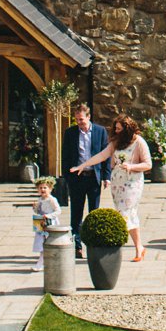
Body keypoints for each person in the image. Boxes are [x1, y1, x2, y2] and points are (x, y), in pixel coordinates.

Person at [61, 102, 113, 255]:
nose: (79, 123)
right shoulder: (70, 133)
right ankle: (77, 246)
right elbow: (65, 156)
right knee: (76, 213)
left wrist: (106, 176)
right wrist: (68, 177)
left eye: (82, 119)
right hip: (77, 178)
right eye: (77, 120)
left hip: (93, 178)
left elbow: (105, 155)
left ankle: (92, 244)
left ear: (89, 117)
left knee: (93, 212)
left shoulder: (100, 131)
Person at [105, 115, 152, 262]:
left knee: (125, 213)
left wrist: (131, 166)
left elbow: (148, 164)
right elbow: (107, 158)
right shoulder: (117, 142)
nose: (117, 131)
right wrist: (83, 165)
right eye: (115, 129)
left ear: (127, 128)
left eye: (119, 129)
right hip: (118, 183)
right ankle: (139, 247)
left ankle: (114, 246)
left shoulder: (139, 142)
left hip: (132, 183)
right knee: (129, 214)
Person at [29, 177, 61, 272]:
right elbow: (38, 210)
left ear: (50, 189)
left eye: (45, 188)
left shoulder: (52, 199)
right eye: (40, 188)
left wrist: (49, 215)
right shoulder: (40, 199)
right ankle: (42, 262)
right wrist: (35, 208)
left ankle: (41, 263)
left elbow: (58, 211)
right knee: (41, 242)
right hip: (41, 222)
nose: (42, 190)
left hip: (50, 222)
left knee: (48, 241)